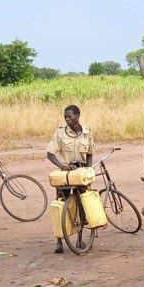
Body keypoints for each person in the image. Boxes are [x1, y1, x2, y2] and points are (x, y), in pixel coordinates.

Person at [46, 105, 94, 253]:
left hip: (80, 172)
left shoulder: (87, 132)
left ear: (77, 116)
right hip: (66, 174)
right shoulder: (60, 133)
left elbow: (90, 153)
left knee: (82, 205)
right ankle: (59, 241)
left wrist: (88, 170)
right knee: (61, 206)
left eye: (70, 116)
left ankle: (80, 237)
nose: (67, 119)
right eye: (65, 116)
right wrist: (62, 166)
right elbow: (50, 154)